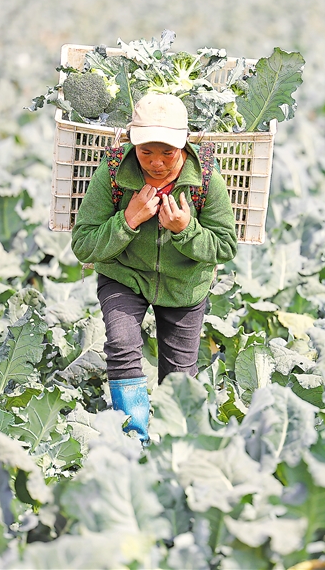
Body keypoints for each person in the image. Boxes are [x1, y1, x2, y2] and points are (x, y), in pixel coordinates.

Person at [71, 94, 238, 443]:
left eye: (168, 153)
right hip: (124, 276)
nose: (156, 163)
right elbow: (83, 244)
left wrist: (185, 231)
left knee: (179, 378)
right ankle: (136, 438)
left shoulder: (206, 180)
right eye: (146, 152)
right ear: (133, 142)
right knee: (121, 343)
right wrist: (128, 220)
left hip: (185, 285)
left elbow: (225, 246)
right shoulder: (114, 172)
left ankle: (175, 443)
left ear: (184, 145)